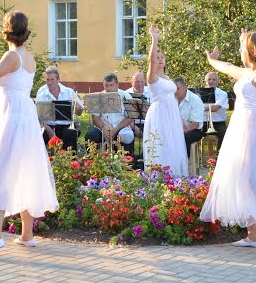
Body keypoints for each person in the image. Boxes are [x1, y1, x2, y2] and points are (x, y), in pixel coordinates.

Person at [0, 11, 59, 259]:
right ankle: (27, 234)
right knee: (24, 168)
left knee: (0, 169)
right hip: (24, 114)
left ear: (6, 29)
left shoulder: (11, 55)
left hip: (12, 116)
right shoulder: (29, 57)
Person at [200, 32, 256, 260]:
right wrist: (211, 60)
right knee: (243, 178)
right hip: (240, 129)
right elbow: (225, 66)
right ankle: (253, 236)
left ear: (252, 51)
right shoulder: (245, 73)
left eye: (243, 48)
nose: (240, 51)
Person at [142, 24, 189, 176]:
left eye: (162, 57)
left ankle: (175, 177)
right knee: (161, 145)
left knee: (173, 144)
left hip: (172, 114)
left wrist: (180, 118)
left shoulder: (168, 78)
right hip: (159, 114)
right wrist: (154, 40)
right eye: (157, 57)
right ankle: (159, 177)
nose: (159, 59)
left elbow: (173, 98)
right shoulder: (152, 77)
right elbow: (151, 62)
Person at [86, 73, 136, 155]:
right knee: (91, 135)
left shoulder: (126, 96)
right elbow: (95, 117)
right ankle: (93, 162)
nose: (108, 88)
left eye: (111, 85)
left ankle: (126, 163)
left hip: (121, 127)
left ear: (117, 84)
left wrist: (115, 130)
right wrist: (103, 128)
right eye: (106, 85)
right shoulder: (99, 96)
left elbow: (130, 117)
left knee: (127, 136)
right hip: (104, 127)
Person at [35, 66, 83, 150]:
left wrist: (78, 109)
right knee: (40, 137)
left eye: (52, 79)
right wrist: (49, 131)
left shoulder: (69, 92)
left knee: (70, 133)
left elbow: (79, 112)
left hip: (66, 125)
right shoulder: (41, 95)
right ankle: (45, 161)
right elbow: (39, 117)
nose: (49, 82)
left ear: (58, 79)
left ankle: (71, 160)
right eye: (47, 80)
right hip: (48, 126)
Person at [175, 77, 206, 156]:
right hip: (176, 129)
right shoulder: (171, 98)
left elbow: (196, 124)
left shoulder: (195, 100)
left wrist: (179, 131)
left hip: (194, 130)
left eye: (177, 89)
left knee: (184, 138)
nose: (175, 91)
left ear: (185, 88)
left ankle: (183, 163)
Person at [203, 71, 228, 145]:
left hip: (218, 123)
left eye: (214, 80)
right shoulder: (199, 93)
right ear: (205, 81)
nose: (211, 81)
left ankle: (219, 155)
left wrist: (201, 108)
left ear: (217, 82)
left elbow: (216, 108)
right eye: (209, 79)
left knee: (224, 137)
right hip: (204, 122)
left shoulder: (222, 93)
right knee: (193, 135)